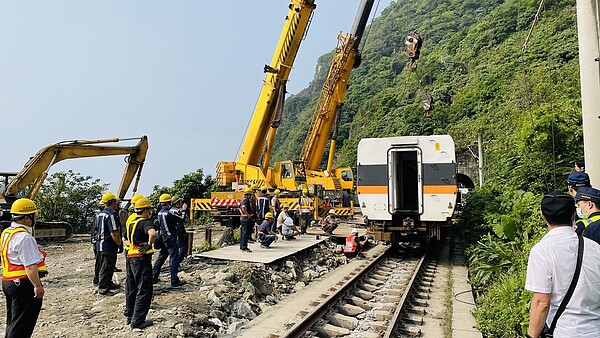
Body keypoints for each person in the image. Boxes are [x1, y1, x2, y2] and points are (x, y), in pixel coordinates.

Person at [525, 190, 600, 337]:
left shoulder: (541, 251)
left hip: (565, 332)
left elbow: (542, 302)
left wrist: (531, 336)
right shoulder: (594, 247)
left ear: (543, 216)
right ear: (573, 215)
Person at [1, 198, 47, 338]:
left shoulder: (8, 232)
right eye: (34, 215)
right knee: (22, 326)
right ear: (27, 217)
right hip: (23, 284)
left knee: (14, 323)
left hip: (9, 282)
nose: (36, 218)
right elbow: (30, 266)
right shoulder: (24, 237)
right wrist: (37, 285)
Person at [124, 197, 156, 330]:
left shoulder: (131, 222)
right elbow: (152, 234)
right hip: (141, 259)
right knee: (144, 289)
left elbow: (124, 239)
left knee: (131, 288)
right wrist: (149, 245)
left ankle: (130, 315)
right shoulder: (144, 222)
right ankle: (138, 321)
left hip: (130, 257)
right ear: (146, 209)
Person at [152, 193, 186, 287]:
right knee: (173, 258)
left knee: (161, 257)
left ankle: (154, 276)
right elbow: (181, 219)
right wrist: (184, 210)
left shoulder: (159, 212)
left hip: (163, 237)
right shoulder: (169, 213)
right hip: (170, 237)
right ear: (168, 202)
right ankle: (174, 280)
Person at [95, 192, 123, 295]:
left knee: (106, 265)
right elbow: (114, 232)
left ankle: (107, 283)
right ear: (112, 202)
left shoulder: (100, 214)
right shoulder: (111, 215)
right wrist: (119, 243)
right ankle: (103, 288)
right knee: (107, 266)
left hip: (100, 245)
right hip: (108, 245)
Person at [170, 195, 188, 264]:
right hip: (178, 231)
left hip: (175, 231)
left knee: (177, 248)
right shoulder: (175, 210)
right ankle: (176, 263)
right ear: (178, 202)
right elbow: (182, 219)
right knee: (183, 247)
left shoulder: (172, 210)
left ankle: (175, 263)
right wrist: (184, 210)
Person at [239, 187, 255, 252]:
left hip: (243, 218)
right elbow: (243, 207)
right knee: (245, 233)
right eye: (250, 195)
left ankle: (242, 246)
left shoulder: (242, 200)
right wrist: (247, 214)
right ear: (248, 195)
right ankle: (244, 247)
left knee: (243, 232)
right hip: (246, 219)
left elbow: (239, 207)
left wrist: (242, 214)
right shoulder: (246, 200)